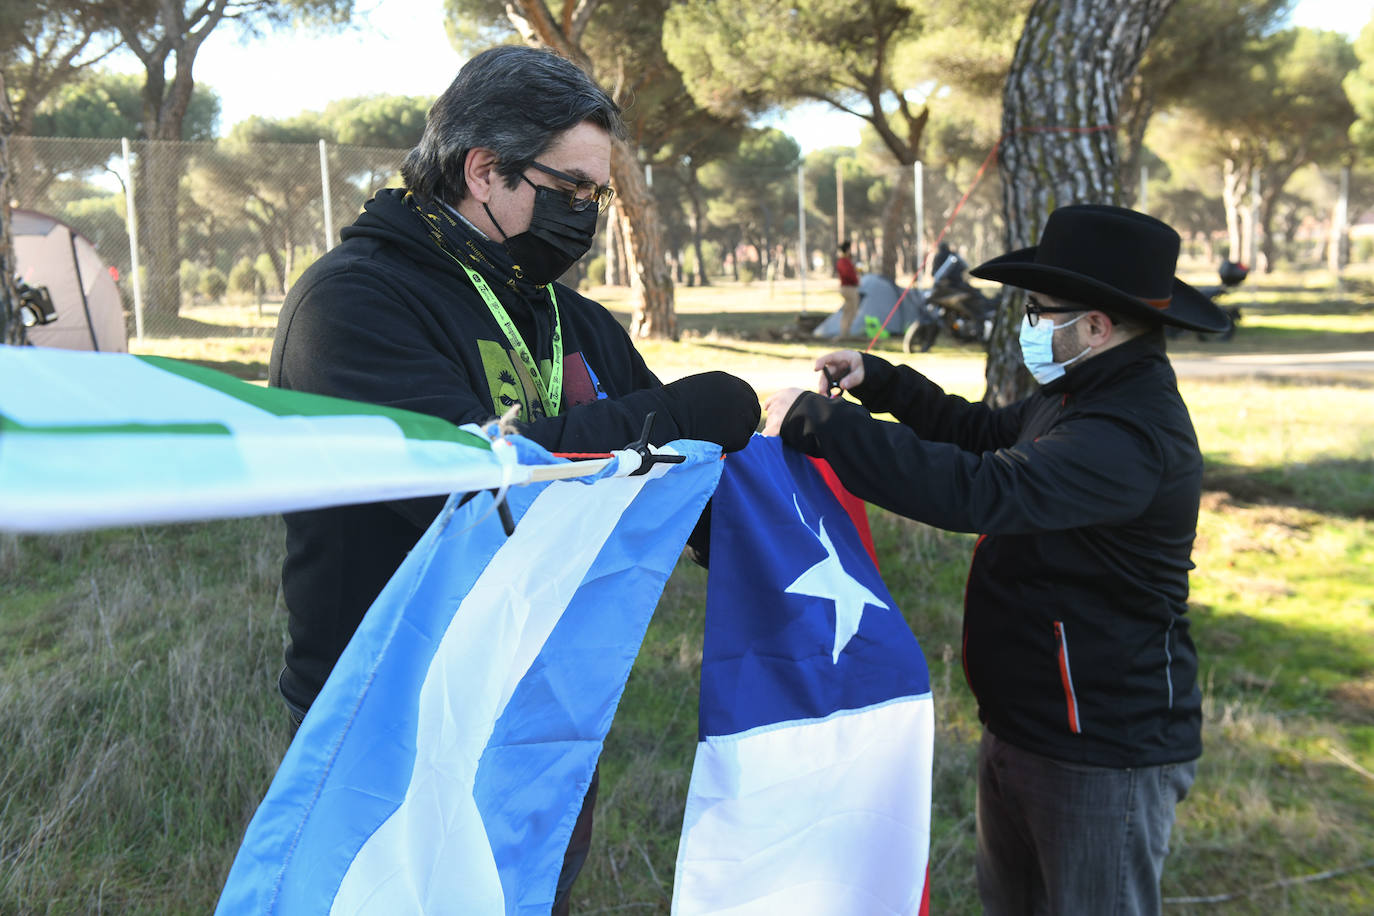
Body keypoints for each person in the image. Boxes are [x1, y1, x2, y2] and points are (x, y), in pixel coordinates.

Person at [269, 45, 760, 913]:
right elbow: (459, 485)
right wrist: (673, 416)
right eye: (570, 190)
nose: (588, 216)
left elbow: (685, 483)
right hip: (396, 723)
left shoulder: (571, 318)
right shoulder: (352, 303)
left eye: (597, 195)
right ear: (484, 171)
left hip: (538, 708)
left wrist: (804, 492)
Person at [762, 204, 1229, 915]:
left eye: (1041, 311)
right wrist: (883, 383)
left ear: (1097, 326)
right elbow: (983, 436)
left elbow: (982, 490)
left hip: (1102, 748)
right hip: (1026, 724)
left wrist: (824, 424)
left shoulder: (1128, 433)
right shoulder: (1080, 394)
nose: (1028, 323)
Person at [833, 239, 860, 339]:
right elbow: (847, 274)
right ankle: (844, 333)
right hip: (848, 288)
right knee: (849, 311)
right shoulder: (843, 261)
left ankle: (846, 332)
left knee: (850, 310)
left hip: (849, 287)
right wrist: (855, 280)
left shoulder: (846, 261)